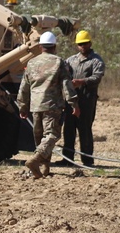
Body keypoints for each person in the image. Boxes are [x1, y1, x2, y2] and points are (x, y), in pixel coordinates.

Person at [18, 31, 80, 179]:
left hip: (35, 106)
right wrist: (74, 104)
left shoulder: (31, 63)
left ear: (40, 47)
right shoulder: (59, 62)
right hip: (52, 106)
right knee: (52, 135)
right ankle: (35, 160)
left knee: (40, 138)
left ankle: (44, 169)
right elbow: (67, 85)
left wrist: (23, 106)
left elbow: (24, 88)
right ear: (54, 46)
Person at [61, 30, 105, 167]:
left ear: (90, 43)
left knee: (85, 130)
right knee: (68, 129)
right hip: (71, 100)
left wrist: (82, 81)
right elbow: (63, 73)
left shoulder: (96, 61)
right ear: (77, 45)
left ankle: (87, 160)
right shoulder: (71, 60)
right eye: (80, 44)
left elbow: (97, 78)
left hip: (87, 100)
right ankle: (67, 159)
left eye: (85, 44)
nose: (83, 46)